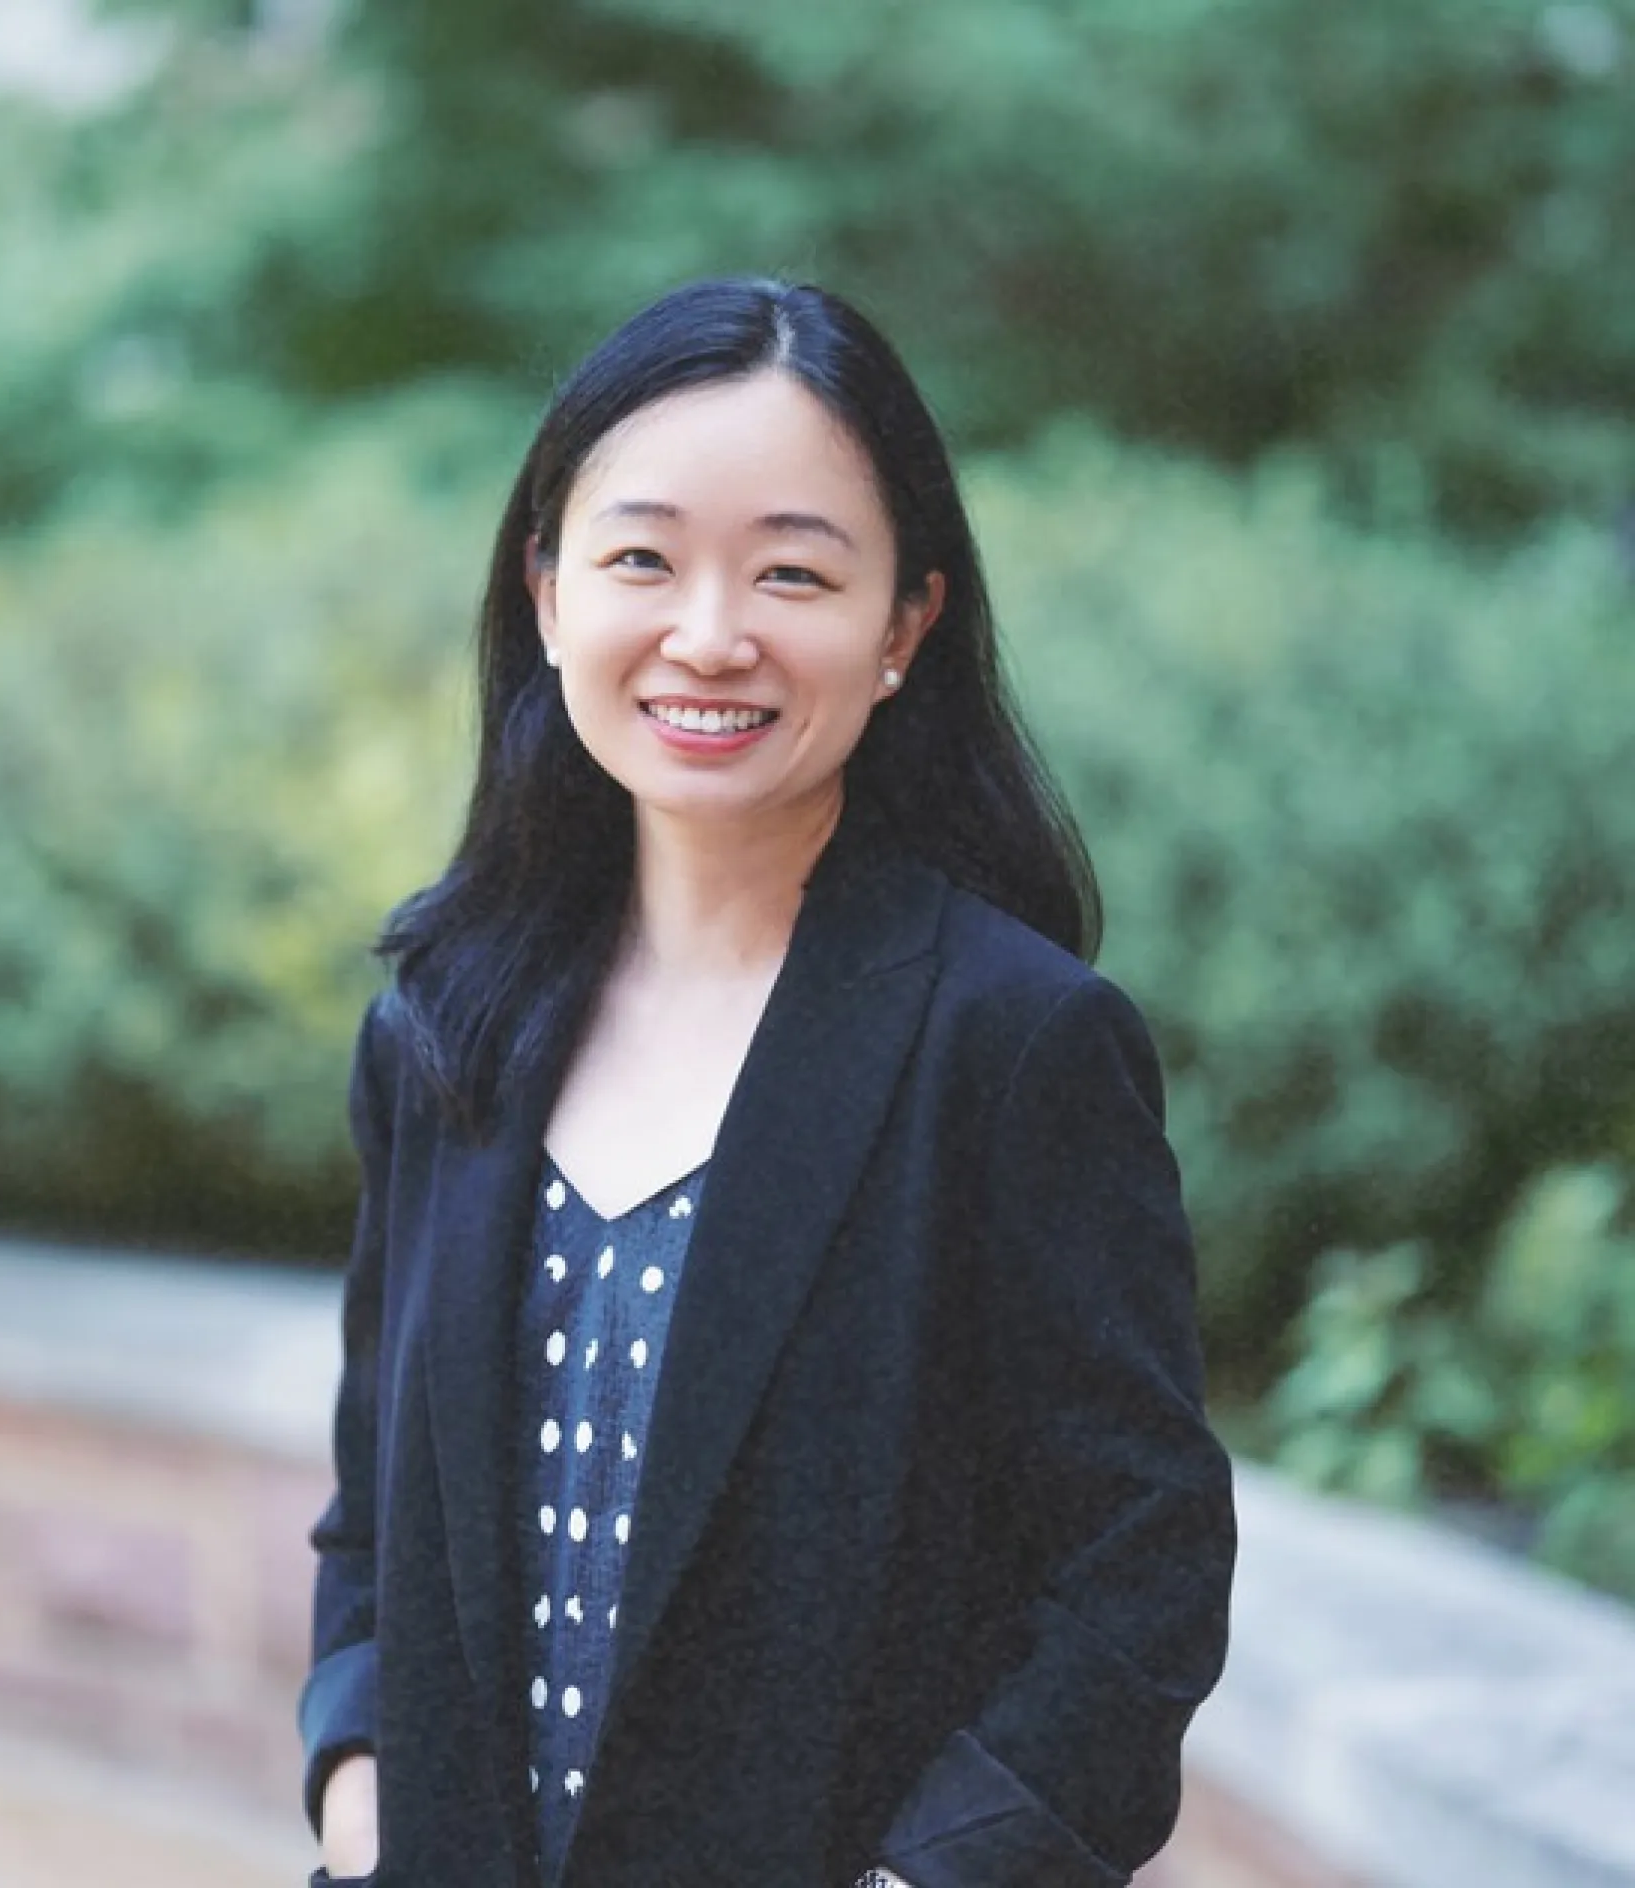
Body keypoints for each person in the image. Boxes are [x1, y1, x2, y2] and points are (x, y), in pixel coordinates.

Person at [297, 276, 1236, 1888]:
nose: (710, 634)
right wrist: (358, 1791)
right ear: (544, 590)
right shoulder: (445, 1029)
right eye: (642, 558)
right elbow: (376, 1513)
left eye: (793, 570)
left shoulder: (1010, 1043)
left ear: (906, 625)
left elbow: (1137, 1576)